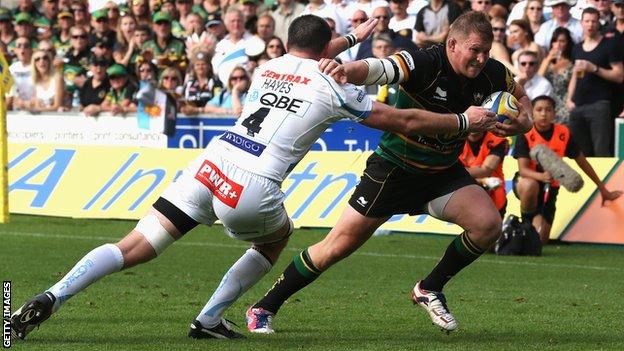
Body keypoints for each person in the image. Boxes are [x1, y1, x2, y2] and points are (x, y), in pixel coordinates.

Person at [10, 14, 498, 341]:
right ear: (324, 44)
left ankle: (53, 295)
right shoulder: (335, 85)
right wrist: (462, 122)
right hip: (253, 182)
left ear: (289, 44)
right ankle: (208, 319)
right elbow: (405, 122)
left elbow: (314, 49)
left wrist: (357, 35)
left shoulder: (267, 66)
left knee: (132, 246)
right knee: (276, 239)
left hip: (210, 166)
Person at [246, 11, 533, 335]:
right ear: (452, 44)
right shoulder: (426, 63)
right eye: (475, 50)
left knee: (487, 225)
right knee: (335, 247)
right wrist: (344, 71)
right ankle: (263, 307)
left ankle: (430, 287)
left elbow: (522, 97)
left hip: (441, 172)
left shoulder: (493, 73)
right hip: (394, 170)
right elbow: (380, 69)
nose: (481, 59)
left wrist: (525, 121)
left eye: (486, 51)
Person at [512, 95, 622, 244]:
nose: (544, 114)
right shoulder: (526, 133)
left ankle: (533, 229)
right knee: (529, 186)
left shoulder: (563, 133)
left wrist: (603, 190)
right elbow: (523, 170)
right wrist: (542, 176)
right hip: (528, 182)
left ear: (554, 113)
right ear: (533, 113)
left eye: (548, 110)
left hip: (551, 188)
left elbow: (583, 163)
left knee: (541, 240)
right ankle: (525, 224)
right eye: (539, 109)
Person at [566, 7, 623, 156]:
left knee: (601, 152)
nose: (590, 25)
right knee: (580, 153)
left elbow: (619, 75)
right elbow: (574, 75)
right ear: (581, 23)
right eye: (587, 21)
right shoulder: (577, 48)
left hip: (599, 104)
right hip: (577, 105)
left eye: (594, 21)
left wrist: (595, 68)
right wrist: (569, 99)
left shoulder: (609, 44)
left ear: (599, 23)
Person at [459, 132, 509, 218]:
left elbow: (485, 171)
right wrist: (481, 181)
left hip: (494, 194)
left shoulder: (498, 139)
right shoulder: (456, 140)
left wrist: (456, 173)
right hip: (466, 194)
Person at [538, 27, 574, 124]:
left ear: (567, 43)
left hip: (564, 103)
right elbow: (537, 80)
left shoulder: (572, 64)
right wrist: (548, 60)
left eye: (562, 41)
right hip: (547, 101)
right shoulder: (547, 61)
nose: (558, 44)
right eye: (555, 41)